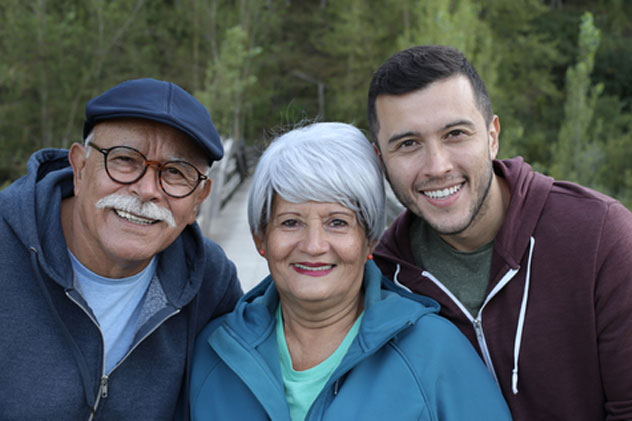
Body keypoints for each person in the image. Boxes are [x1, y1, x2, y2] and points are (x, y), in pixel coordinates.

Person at [367, 45, 632, 420]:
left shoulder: (600, 236)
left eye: (455, 134)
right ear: (381, 159)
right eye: (408, 144)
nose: (437, 166)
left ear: (492, 136)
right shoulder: (383, 280)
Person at [189, 122, 511, 420]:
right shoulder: (214, 352)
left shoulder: (436, 353)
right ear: (261, 237)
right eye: (291, 222)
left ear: (369, 239)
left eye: (337, 222)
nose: (314, 245)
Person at [0, 78, 243, 419]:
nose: (146, 190)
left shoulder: (209, 280)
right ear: (80, 168)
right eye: (125, 160)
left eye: (175, 172)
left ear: (198, 199)